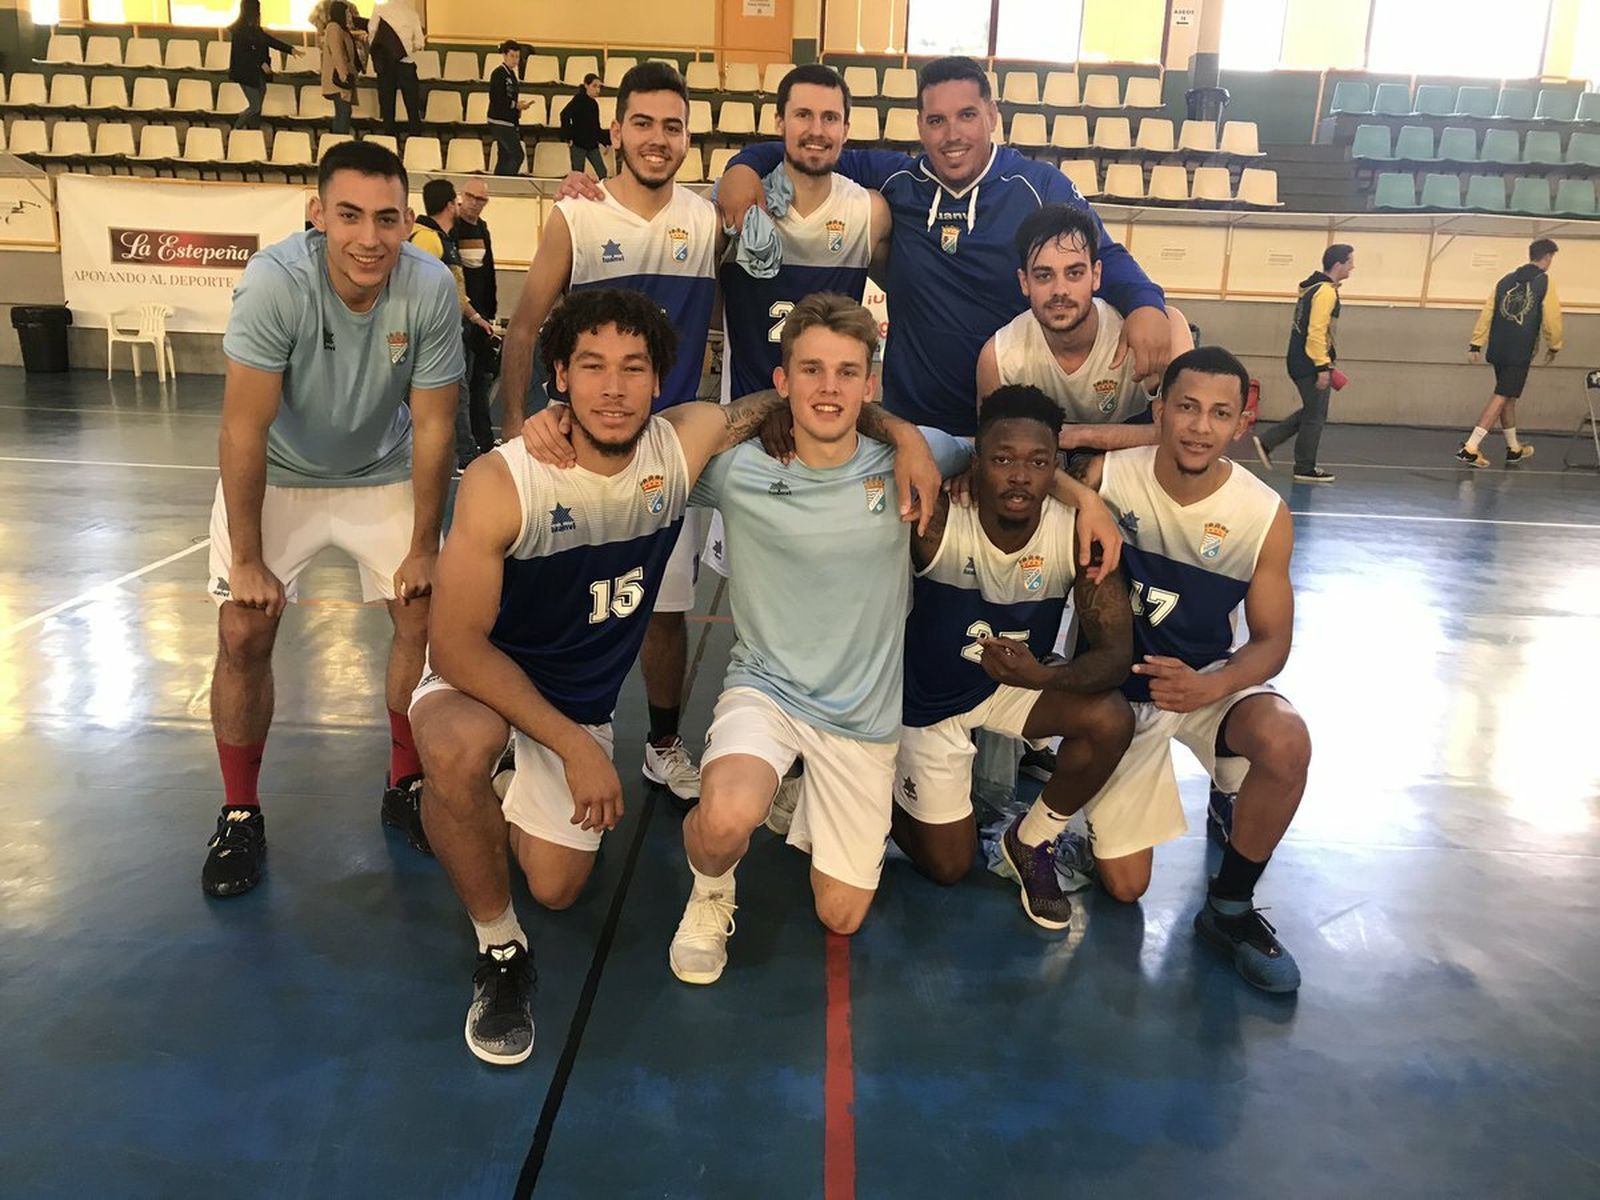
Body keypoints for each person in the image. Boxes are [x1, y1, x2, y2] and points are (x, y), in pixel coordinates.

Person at [415, 288, 943, 1063]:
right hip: (488, 682)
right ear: (559, 376)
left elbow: (789, 396)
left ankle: (499, 789)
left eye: (633, 368)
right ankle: (499, 948)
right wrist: (575, 747)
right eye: (591, 367)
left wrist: (904, 435)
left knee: (558, 887)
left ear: (660, 382)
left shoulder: (681, 446)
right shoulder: (508, 479)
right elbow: (456, 648)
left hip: (579, 699)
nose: (613, 388)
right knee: (456, 749)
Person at [662, 295, 1123, 985]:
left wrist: (1083, 498)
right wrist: (756, 411)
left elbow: (1010, 456)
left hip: (863, 714)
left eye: (847, 372)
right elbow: (661, 437)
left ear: (870, 385)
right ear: (782, 380)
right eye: (810, 370)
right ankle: (709, 892)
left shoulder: (916, 452)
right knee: (726, 816)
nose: (828, 387)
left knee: (843, 913)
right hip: (768, 687)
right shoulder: (737, 467)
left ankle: (799, 791)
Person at [199, 141, 464, 899]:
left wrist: (423, 547)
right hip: (279, 473)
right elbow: (243, 429)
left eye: (387, 219)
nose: (369, 238)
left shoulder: (429, 286)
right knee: (243, 633)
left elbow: (435, 427)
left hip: (382, 469)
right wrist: (247, 559)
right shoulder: (274, 282)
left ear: (408, 221)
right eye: (349, 216)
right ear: (317, 214)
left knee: (421, 617)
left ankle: (405, 783)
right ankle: (240, 811)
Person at [707, 56, 1172, 437]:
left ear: (992, 115)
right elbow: (810, 149)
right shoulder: (898, 179)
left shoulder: (1037, 185)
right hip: (912, 424)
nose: (952, 135)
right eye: (936, 120)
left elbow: (1102, 253)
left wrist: (1145, 304)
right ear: (920, 126)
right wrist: (744, 167)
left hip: (1008, 421)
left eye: (967, 115)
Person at [499, 61, 720, 806]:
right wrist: (515, 429)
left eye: (673, 126)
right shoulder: (578, 215)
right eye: (644, 123)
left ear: (687, 137)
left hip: (665, 451)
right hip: (576, 445)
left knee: (665, 608)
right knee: (548, 601)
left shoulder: (706, 221)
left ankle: (662, 744)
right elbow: (525, 326)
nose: (658, 139)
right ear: (616, 130)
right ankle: (525, 734)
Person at [1067, 346, 1310, 993]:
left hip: (1204, 684)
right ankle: (1099, 819)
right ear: (1160, 412)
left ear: (1241, 424)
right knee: (1126, 887)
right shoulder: (1110, 477)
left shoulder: (1263, 515)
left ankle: (1229, 909)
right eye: (1187, 408)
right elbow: (1029, 465)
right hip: (1119, 696)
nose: (1201, 427)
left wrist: (1212, 685)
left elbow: (1272, 642)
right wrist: (1083, 498)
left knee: (1286, 739)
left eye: (1219, 413)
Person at [892, 384, 1134, 931]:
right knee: (948, 867)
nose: (1020, 476)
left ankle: (1033, 840)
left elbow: (1116, 655)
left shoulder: (1077, 530)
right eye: (1003, 460)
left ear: (1056, 470)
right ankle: (877, 792)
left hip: (1014, 685)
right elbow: (874, 445)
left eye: (1038, 462)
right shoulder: (938, 516)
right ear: (976, 462)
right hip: (928, 701)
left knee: (1110, 717)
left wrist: (1042, 675)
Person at [703, 62, 891, 579]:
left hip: (832, 434)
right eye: (803, 115)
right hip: (748, 436)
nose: (816, 129)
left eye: (830, 118)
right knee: (752, 593)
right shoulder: (734, 209)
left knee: (831, 580)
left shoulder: (868, 212)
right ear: (780, 122)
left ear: (846, 130)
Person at [977, 204, 1193, 450]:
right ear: (1024, 282)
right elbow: (995, 449)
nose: (1060, 290)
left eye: (1074, 273)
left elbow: (1187, 435)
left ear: (1096, 275)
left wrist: (1082, 436)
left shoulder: (1163, 331)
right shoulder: (999, 357)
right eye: (1044, 276)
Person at [1455, 238, 1562, 468]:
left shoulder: (1504, 281)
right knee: (1502, 394)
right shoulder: (1544, 281)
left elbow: (1488, 312)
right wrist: (1555, 344)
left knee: (1508, 396)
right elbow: (1552, 318)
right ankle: (1471, 448)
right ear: (1547, 257)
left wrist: (1476, 343)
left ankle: (1514, 448)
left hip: (1498, 347)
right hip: (1520, 350)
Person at [1252, 243, 1353, 484]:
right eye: (1350, 262)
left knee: (1312, 411)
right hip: (1309, 361)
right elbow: (1316, 331)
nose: (1352, 267)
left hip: (1300, 358)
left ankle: (1268, 442)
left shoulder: (1312, 289)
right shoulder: (1325, 292)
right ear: (1338, 264)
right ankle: (1304, 467)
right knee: (1315, 415)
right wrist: (1322, 366)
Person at [453, 181, 500, 462]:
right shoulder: (453, 228)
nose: (474, 203)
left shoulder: (482, 228)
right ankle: (466, 448)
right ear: (462, 196)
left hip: (481, 317)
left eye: (481, 199)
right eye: (470, 196)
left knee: (481, 380)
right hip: (463, 318)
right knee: (465, 384)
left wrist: (490, 312)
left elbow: (489, 271)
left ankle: (484, 441)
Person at [228, 0, 296, 131]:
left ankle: (254, 132)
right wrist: (261, 63)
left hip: (258, 74)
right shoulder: (239, 31)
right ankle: (235, 130)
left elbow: (270, 41)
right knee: (255, 106)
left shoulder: (255, 29)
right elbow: (245, 54)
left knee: (257, 109)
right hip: (246, 74)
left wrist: (290, 49)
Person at [369, 0, 425, 136]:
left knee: (387, 108)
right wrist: (406, 49)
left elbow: (372, 31)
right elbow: (420, 43)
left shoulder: (379, 8)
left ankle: (390, 140)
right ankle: (415, 139)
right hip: (406, 64)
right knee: (412, 107)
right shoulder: (411, 13)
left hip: (385, 65)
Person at [486, 40, 535, 176]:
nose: (515, 60)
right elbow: (496, 98)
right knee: (517, 155)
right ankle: (507, 179)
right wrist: (515, 105)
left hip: (508, 120)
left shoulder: (512, 74)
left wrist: (518, 108)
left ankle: (499, 181)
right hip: (499, 120)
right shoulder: (498, 73)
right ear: (505, 55)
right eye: (512, 56)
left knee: (505, 156)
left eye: (517, 57)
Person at [319, 0, 362, 135]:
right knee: (343, 111)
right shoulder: (334, 27)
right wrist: (344, 76)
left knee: (343, 111)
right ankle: (340, 139)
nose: (349, 16)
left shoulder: (342, 29)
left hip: (343, 78)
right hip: (338, 80)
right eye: (347, 13)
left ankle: (339, 138)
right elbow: (337, 53)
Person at [559, 72, 607, 179]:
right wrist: (568, 136)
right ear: (586, 85)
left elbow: (596, 126)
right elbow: (564, 115)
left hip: (592, 144)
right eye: (594, 86)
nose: (598, 90)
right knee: (578, 174)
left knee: (602, 171)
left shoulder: (594, 104)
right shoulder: (578, 100)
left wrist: (604, 141)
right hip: (578, 143)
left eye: (599, 87)